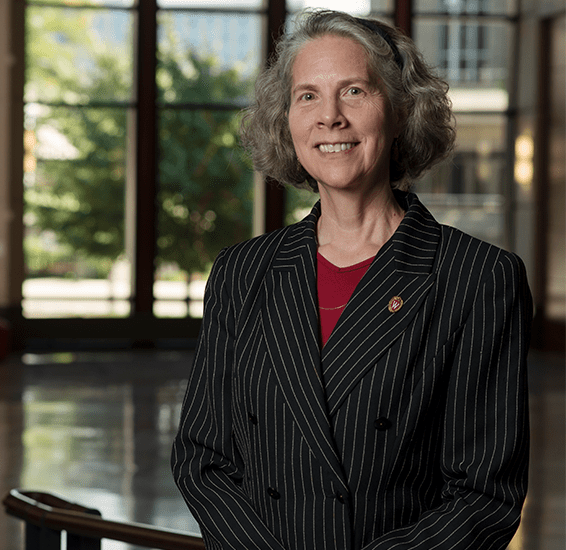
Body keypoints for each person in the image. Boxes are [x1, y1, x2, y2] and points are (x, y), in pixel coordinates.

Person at [171, 9, 532, 550]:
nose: (329, 117)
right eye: (308, 96)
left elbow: (485, 496)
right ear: (286, 119)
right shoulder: (241, 273)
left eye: (355, 91)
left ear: (399, 110)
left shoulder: (478, 277)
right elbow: (202, 456)